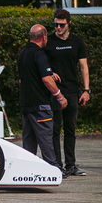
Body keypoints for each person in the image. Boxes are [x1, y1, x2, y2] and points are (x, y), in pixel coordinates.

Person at [45, 9, 91, 176]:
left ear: (69, 24)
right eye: (55, 24)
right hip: (55, 92)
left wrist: (86, 90)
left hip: (72, 91)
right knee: (55, 129)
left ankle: (71, 165)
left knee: (70, 130)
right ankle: (57, 166)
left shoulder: (77, 41)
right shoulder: (48, 41)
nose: (58, 27)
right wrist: (49, 72)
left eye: (61, 25)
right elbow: (40, 63)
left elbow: (84, 67)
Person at [17, 24, 66, 168]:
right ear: (44, 37)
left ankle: (27, 171)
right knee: (46, 140)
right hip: (40, 105)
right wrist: (60, 97)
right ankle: (53, 170)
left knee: (29, 142)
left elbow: (24, 79)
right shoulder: (39, 53)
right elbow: (46, 79)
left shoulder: (23, 54)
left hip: (26, 104)